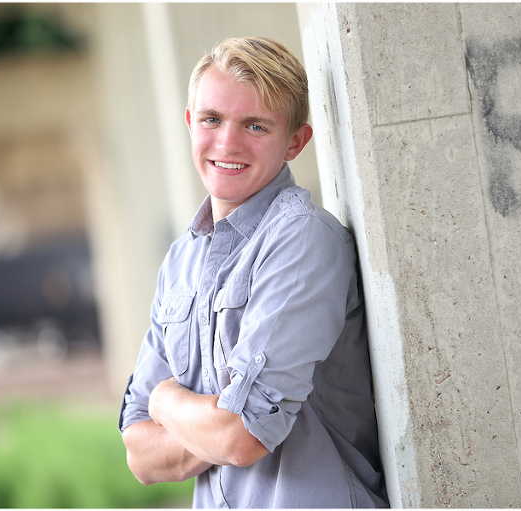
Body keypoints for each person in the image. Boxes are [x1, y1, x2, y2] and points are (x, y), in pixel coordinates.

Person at [118, 36, 388, 508]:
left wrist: (165, 402)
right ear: (189, 123)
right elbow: (140, 455)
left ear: (295, 142)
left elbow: (240, 439)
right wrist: (220, 424)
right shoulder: (182, 261)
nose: (227, 143)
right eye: (211, 119)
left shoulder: (303, 240)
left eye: (256, 126)